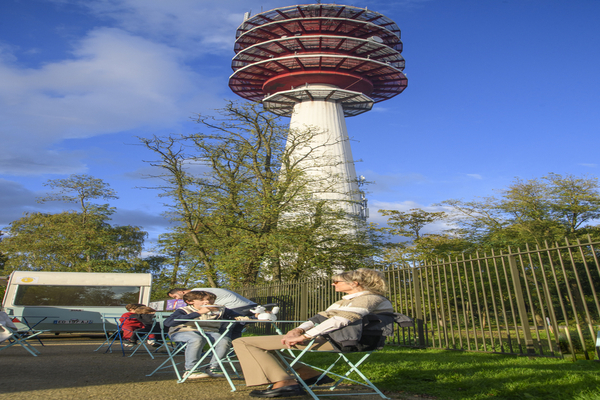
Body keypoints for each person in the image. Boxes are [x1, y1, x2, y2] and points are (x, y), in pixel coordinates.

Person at [232, 268, 395, 398]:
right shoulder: (347, 300)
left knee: (243, 342)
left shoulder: (371, 298)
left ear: (355, 283)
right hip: (336, 338)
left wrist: (305, 336)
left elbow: (342, 320)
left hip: (348, 341)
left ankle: (284, 382)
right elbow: (320, 317)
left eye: (336, 281)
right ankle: (306, 373)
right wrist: (298, 329)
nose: (333, 284)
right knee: (262, 345)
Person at [164, 291, 245, 379]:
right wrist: (198, 313)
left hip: (210, 332)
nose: (207, 302)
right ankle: (191, 370)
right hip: (183, 331)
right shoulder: (184, 310)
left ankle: (213, 367)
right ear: (190, 301)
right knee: (197, 339)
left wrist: (256, 316)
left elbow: (240, 316)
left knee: (224, 340)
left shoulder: (220, 309)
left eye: (210, 299)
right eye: (202, 300)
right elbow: (168, 322)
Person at [168, 287, 257, 315]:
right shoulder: (199, 290)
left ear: (180, 292)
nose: (176, 299)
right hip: (248, 305)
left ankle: (220, 350)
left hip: (238, 307)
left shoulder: (196, 292)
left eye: (175, 296)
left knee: (223, 327)